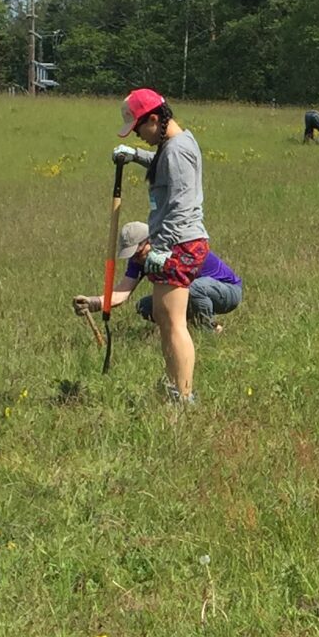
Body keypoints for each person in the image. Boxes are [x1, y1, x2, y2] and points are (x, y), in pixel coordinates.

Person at [115, 87, 209, 405]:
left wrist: (158, 246)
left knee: (173, 323)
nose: (140, 135)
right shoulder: (173, 145)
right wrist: (134, 156)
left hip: (179, 243)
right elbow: (163, 166)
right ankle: (175, 387)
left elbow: (181, 204)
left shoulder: (177, 149)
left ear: (154, 119)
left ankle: (183, 395)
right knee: (164, 317)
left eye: (139, 129)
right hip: (175, 242)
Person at [73, 221, 243, 332]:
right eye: (131, 256)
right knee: (146, 306)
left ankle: (210, 331)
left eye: (138, 253)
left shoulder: (177, 246)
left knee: (193, 289)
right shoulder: (138, 261)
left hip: (227, 292)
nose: (135, 259)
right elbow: (122, 293)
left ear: (149, 241)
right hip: (189, 292)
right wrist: (94, 302)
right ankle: (186, 331)